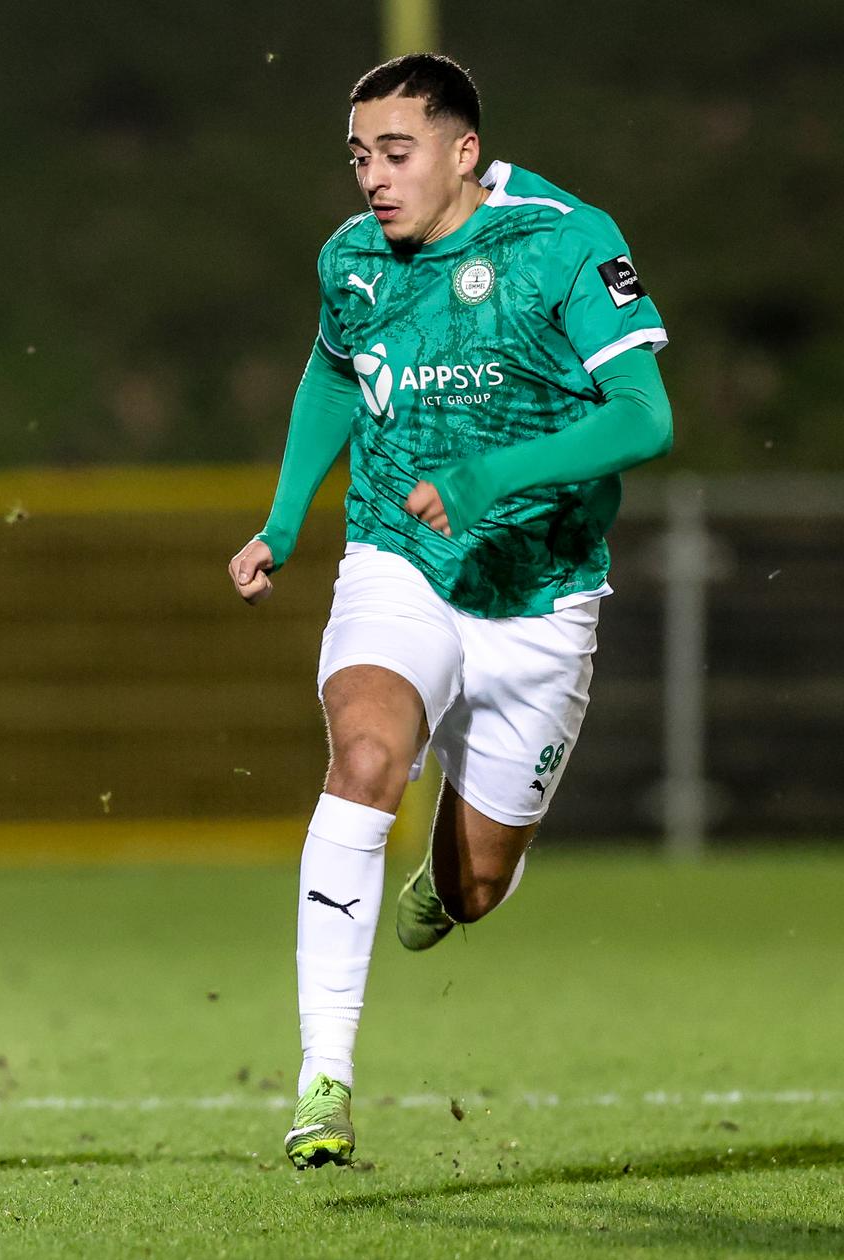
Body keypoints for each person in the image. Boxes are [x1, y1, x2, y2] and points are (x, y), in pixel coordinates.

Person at [225, 53, 670, 1169]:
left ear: (464, 152)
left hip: (540, 595)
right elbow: (335, 373)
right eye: (359, 157)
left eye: (397, 152)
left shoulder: (564, 240)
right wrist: (284, 522)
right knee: (366, 758)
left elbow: (644, 415)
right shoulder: (352, 258)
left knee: (473, 889)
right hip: (401, 559)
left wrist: (488, 478)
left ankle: (450, 882)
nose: (373, 177)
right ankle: (323, 1080)